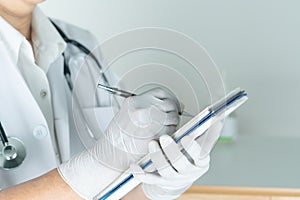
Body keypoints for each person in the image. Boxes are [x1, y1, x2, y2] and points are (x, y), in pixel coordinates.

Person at [0, 0, 222, 199]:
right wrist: (96, 166)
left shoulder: (80, 44)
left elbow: (115, 189)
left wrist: (157, 187)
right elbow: (103, 165)